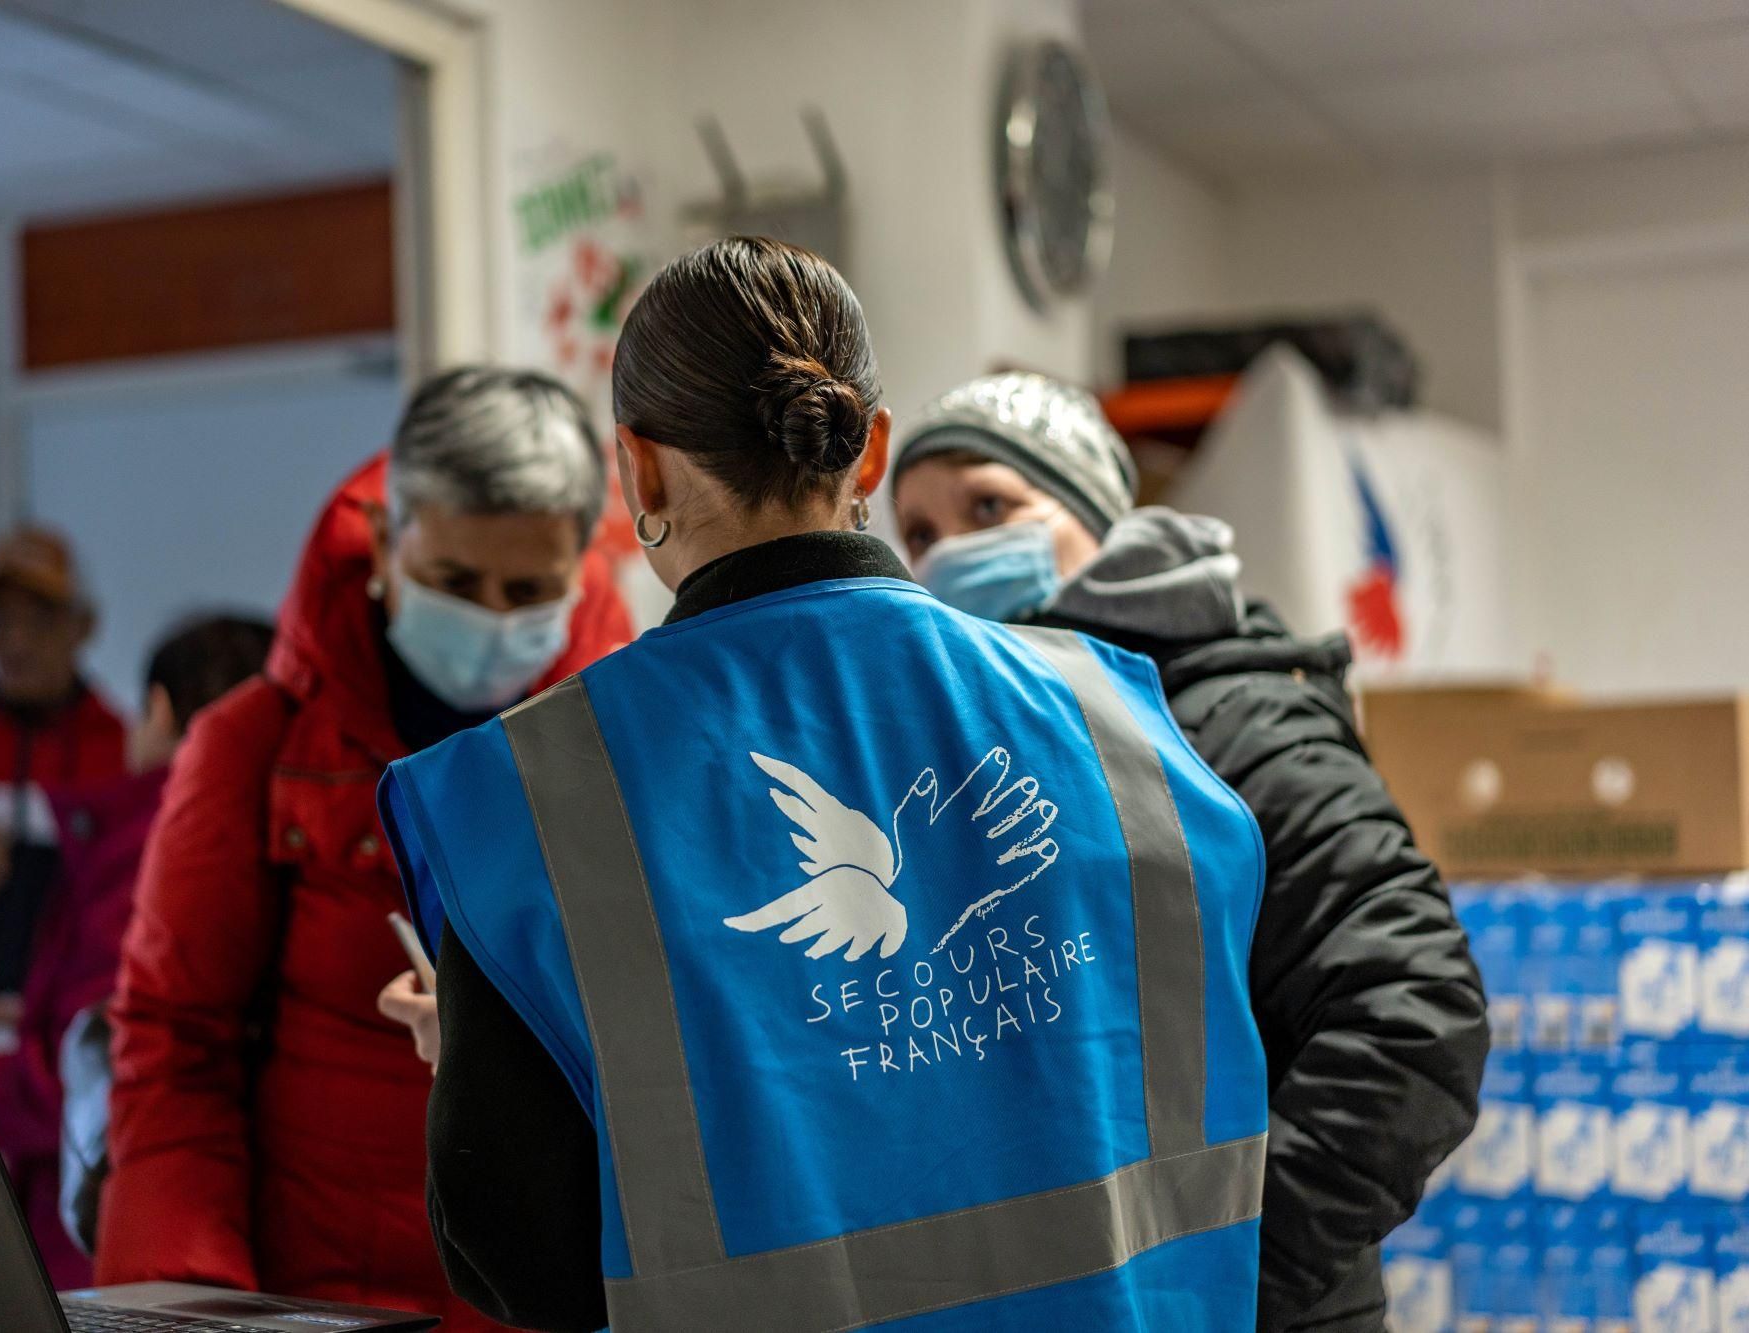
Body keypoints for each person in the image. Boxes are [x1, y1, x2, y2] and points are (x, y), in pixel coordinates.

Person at [374, 238, 1269, 1331]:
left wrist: (475, 1049)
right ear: (871, 452)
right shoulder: (1113, 723)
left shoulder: (539, 800)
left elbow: (521, 1260)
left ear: (638, 470)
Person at [890, 372, 1490, 1331]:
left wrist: (1221, 1283)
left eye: (989, 506)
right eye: (918, 535)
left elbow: (1414, 1020)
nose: (949, 553)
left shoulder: (1231, 720)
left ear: (1099, 521)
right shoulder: (991, 754)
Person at [98, 368, 633, 1324]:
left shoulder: (632, 742)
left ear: (582, 571)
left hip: (566, 1291)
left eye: (529, 591)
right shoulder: (255, 744)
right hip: (322, 1296)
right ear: (387, 542)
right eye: (456, 582)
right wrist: (186, 1307)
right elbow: (175, 1044)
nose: (493, 618)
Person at [0, 613, 275, 1289]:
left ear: (160, 710)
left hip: (120, 1232)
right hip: (245, 1225)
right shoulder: (280, 832)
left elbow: (99, 1064)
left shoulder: (152, 841)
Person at [0, 527, 127, 1005]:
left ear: (83, 626)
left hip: (72, 1025)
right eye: (0, 620)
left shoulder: (123, 750)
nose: (14, 642)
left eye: (38, 620)